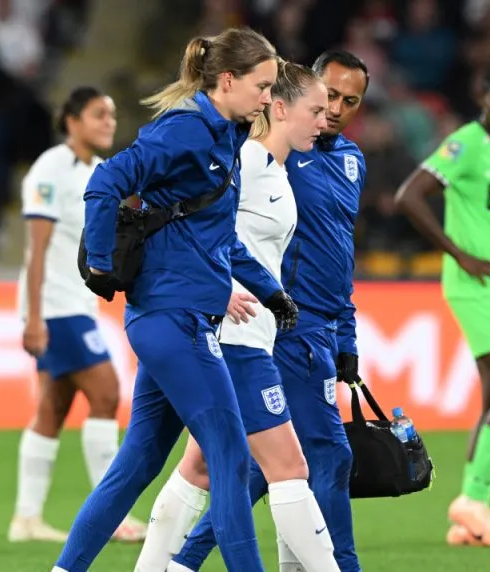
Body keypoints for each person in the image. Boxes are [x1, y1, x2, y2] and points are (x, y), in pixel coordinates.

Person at [50, 28, 300, 572]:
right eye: (262, 86)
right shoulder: (186, 131)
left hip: (175, 319)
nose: (268, 98)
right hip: (175, 319)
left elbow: (216, 238)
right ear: (228, 80)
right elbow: (106, 182)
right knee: (231, 461)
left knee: (137, 464)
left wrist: (269, 290)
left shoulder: (225, 136)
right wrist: (99, 260)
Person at [170, 49, 370, 572]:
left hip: (324, 328)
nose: (336, 109)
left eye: (351, 101)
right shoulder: (268, 154)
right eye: (328, 96)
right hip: (286, 326)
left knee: (264, 465)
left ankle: (181, 561)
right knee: (325, 454)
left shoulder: (351, 160)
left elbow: (339, 252)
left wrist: (346, 336)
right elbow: (222, 227)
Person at [393, 63, 490, 549]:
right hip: (478, 283)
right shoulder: (465, 143)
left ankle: (471, 516)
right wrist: (458, 253)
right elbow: (408, 196)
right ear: (483, 97)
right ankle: (473, 502)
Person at [11, 85, 145, 544]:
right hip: (55, 306)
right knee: (106, 394)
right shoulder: (52, 168)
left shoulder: (102, 171)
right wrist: (33, 316)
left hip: (76, 302)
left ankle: (25, 520)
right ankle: (111, 515)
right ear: (72, 121)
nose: (108, 122)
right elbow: (38, 248)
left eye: (111, 115)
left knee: (52, 409)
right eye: (98, 115)